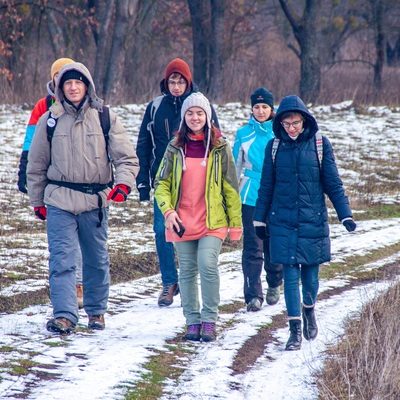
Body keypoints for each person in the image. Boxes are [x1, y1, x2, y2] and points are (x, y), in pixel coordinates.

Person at [27, 62, 139, 334]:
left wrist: (123, 184)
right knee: (61, 260)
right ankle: (65, 315)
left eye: (78, 82)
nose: (73, 87)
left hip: (94, 200)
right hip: (59, 200)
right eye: (68, 83)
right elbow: (36, 164)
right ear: (60, 88)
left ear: (87, 85)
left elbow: (126, 157)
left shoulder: (105, 117)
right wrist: (37, 200)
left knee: (96, 259)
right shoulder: (49, 120)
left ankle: (96, 311)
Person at [253, 95, 357, 351]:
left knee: (310, 279)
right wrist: (259, 218)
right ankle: (294, 331)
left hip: (313, 220)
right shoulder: (274, 146)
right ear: (280, 123)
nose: (291, 128)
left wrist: (345, 214)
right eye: (287, 123)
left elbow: (332, 182)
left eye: (296, 122)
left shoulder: (320, 144)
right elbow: (266, 186)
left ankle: (309, 308)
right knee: (290, 276)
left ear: (305, 121)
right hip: (283, 221)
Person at [154, 92, 242, 342]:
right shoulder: (174, 147)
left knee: (207, 263)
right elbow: (160, 183)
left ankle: (209, 320)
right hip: (181, 222)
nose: (195, 117)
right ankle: (192, 322)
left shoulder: (220, 147)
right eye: (190, 113)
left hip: (212, 221)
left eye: (200, 113)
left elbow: (231, 187)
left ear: (208, 117)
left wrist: (235, 224)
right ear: (184, 117)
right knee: (187, 272)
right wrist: (168, 211)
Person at [136, 58, 219, 307]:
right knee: (162, 230)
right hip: (164, 181)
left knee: (194, 231)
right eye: (172, 81)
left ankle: (188, 278)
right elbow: (143, 145)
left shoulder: (201, 105)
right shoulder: (155, 107)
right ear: (166, 82)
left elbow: (216, 142)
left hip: (196, 179)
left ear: (188, 82)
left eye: (181, 81)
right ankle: (169, 282)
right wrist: (142, 182)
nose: (176, 86)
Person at [17, 57, 85, 309]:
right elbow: (30, 141)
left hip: (81, 182)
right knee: (61, 239)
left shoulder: (87, 105)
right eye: (59, 75)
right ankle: (65, 290)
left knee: (80, 239)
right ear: (54, 79)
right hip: (51, 180)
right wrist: (24, 171)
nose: (64, 81)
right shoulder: (43, 106)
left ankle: (78, 283)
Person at [233, 88, 283, 312]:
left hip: (276, 195)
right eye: (256, 107)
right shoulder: (243, 133)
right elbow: (235, 167)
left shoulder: (281, 131)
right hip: (250, 195)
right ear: (251, 109)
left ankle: (274, 281)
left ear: (272, 109)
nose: (261, 111)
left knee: (273, 243)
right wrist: (231, 196)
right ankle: (253, 296)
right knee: (253, 246)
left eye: (265, 107)